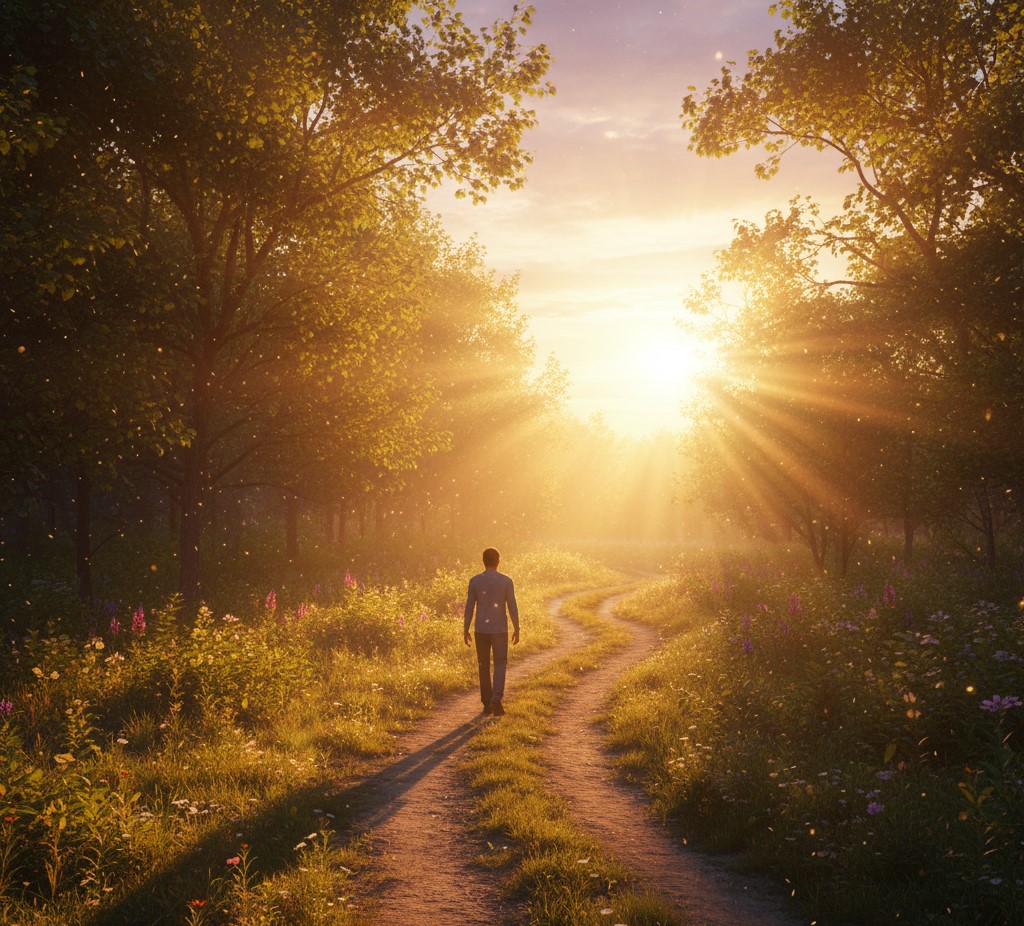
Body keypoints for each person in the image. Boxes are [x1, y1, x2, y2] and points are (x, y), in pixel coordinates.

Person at [463, 547, 519, 716]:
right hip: (500, 629)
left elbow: (469, 607)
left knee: (483, 666)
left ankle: (486, 702)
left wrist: (465, 629)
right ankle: (496, 698)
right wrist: (517, 627)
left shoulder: (474, 581)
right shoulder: (506, 581)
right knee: (500, 664)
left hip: (481, 630)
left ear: (483, 561)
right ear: (498, 561)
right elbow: (512, 606)